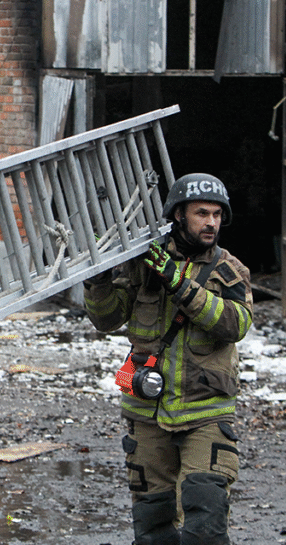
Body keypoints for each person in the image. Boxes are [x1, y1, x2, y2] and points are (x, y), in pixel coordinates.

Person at [83, 173, 253, 545]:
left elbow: (236, 323)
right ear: (178, 215)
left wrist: (180, 284)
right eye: (201, 213)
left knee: (204, 521)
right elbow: (107, 319)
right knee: (152, 525)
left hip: (206, 413)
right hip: (146, 412)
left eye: (217, 215)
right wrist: (97, 282)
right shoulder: (144, 263)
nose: (211, 222)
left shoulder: (229, 270)